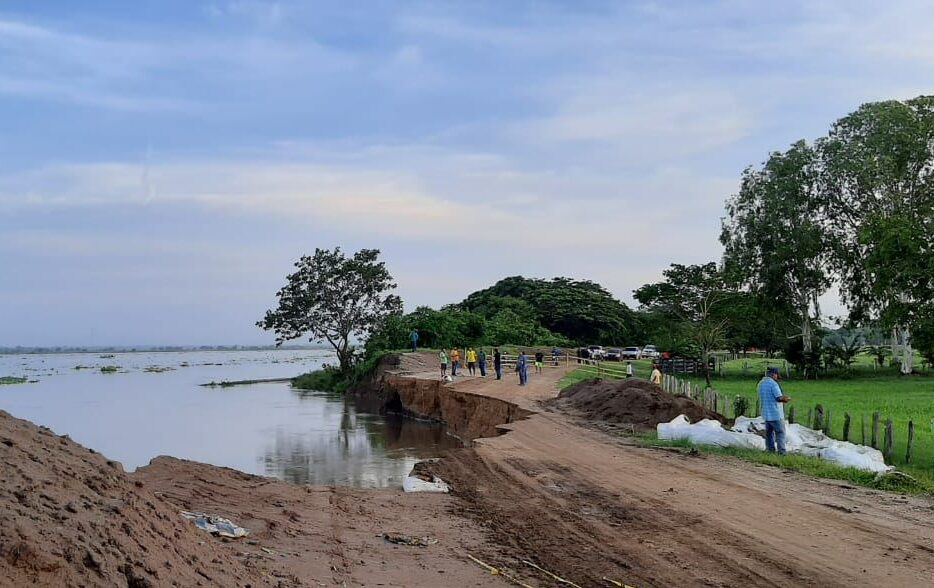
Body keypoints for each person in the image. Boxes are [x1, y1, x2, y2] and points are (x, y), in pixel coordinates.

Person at [758, 367, 792, 454]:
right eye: (777, 375)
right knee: (780, 433)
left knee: (769, 434)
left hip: (766, 413)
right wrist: (787, 399)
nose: (777, 377)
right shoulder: (773, 384)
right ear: (774, 374)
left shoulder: (762, 384)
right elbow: (778, 398)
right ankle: (782, 452)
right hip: (776, 414)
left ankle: (770, 450)